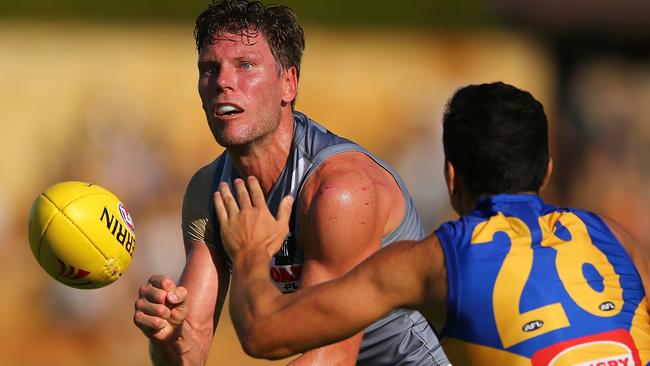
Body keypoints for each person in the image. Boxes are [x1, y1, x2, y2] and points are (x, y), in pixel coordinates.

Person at [215, 82, 650, 365]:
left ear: (451, 177)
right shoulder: (617, 239)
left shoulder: (437, 260)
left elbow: (264, 332)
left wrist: (251, 253)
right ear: (548, 171)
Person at [132, 0, 449, 365]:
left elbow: (331, 358)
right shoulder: (208, 192)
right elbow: (193, 348)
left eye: (245, 66)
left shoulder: (340, 191)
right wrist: (168, 338)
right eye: (209, 68)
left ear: (288, 83)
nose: (222, 82)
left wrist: (251, 256)